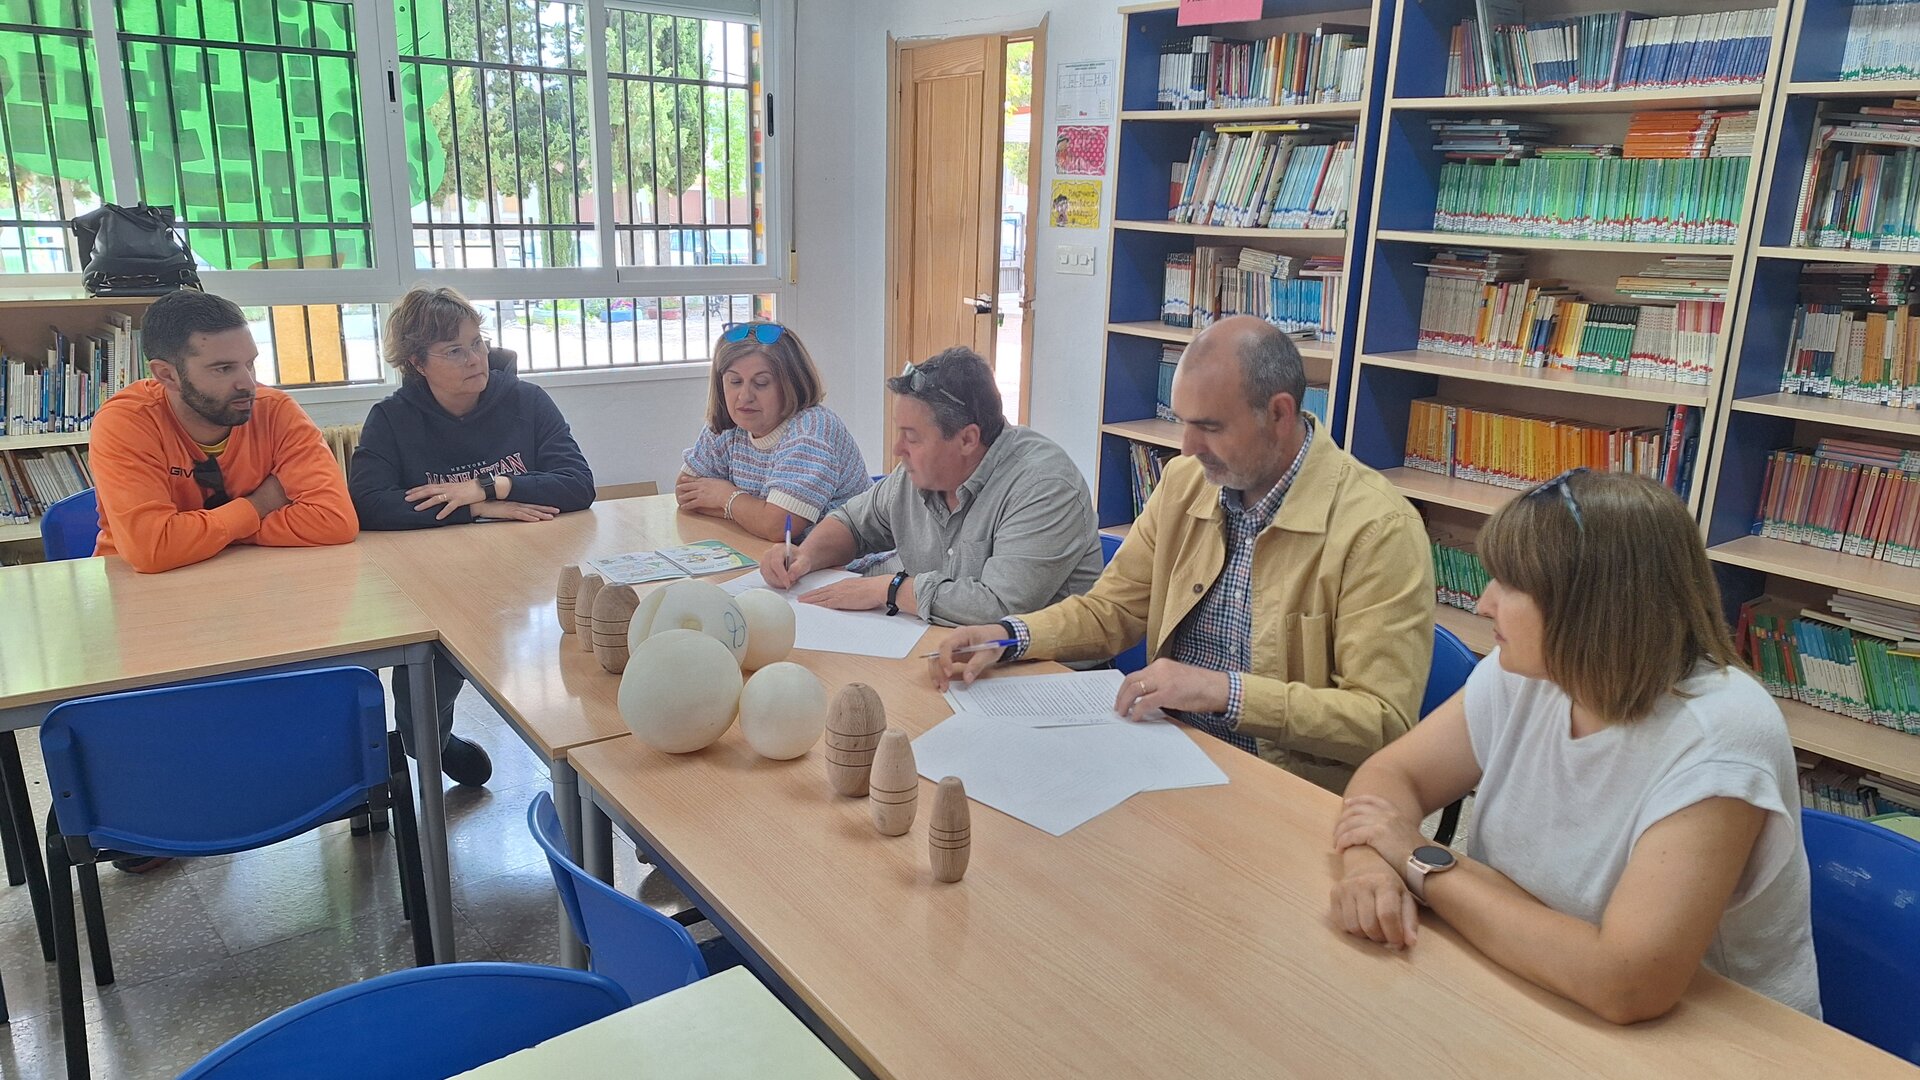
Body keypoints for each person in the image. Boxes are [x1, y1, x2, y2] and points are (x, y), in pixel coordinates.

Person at [1327, 469, 1821, 1022]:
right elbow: (1392, 777)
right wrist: (1369, 867)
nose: (1485, 603)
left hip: (1720, 1038)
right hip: (1531, 981)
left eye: (1512, 585)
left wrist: (1419, 862)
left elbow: (1625, 983)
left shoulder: (1722, 735)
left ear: (1591, 606)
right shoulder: (1530, 671)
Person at [933, 316, 1431, 792]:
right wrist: (1009, 635)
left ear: (1279, 415)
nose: (1188, 447)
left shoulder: (1377, 529)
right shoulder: (1185, 483)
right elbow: (1112, 610)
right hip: (1168, 752)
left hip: (1283, 788)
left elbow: (1381, 720)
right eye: (1182, 422)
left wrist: (1221, 691)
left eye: (1210, 427)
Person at [349, 286, 597, 787]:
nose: (475, 359)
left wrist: (489, 485)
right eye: (454, 350)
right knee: (422, 706)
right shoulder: (393, 418)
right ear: (417, 362)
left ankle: (587, 762)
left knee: (570, 672)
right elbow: (369, 503)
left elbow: (577, 484)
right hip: (439, 582)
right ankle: (432, 745)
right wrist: (477, 508)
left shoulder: (525, 400)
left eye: (478, 343)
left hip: (530, 572)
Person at [760, 346, 1101, 627]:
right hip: (942, 646)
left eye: (912, 437)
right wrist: (805, 557)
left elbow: (998, 608)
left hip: (1046, 673)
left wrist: (891, 590)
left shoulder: (1044, 487)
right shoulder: (921, 471)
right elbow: (853, 524)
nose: (898, 449)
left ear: (967, 439)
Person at [90, 288, 358, 575]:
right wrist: (259, 504)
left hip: (251, 576)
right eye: (223, 369)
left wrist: (200, 536)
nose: (248, 384)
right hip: (140, 588)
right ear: (167, 375)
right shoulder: (127, 422)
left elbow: (335, 521)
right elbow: (152, 550)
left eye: (250, 364)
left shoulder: (275, 410)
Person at [676, 321, 870, 542]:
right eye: (735, 381)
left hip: (847, 559)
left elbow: (779, 526)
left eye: (761, 383)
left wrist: (725, 496)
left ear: (791, 384)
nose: (745, 396)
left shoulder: (810, 432)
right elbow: (685, 492)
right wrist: (752, 514)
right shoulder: (727, 425)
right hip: (775, 551)